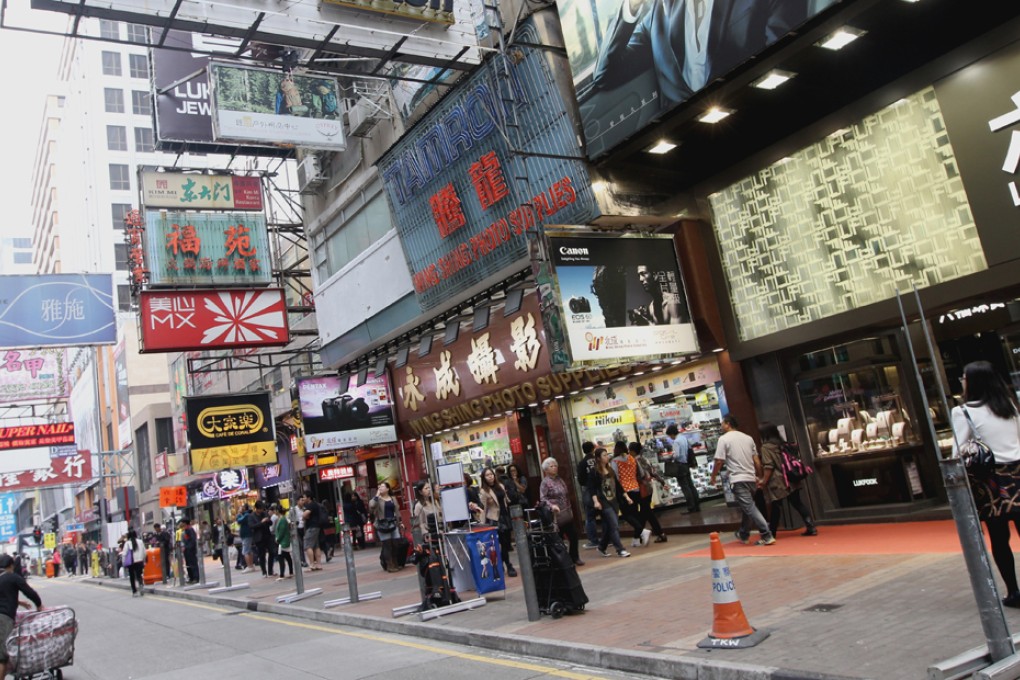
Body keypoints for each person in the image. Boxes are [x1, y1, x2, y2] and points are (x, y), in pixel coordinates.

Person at [590, 0, 807, 111]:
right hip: (688, 142)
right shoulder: (657, 17)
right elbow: (605, 74)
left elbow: (785, 56)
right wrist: (632, 5)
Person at [952, 360, 1020, 607]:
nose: (962, 380)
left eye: (964, 376)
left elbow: (956, 452)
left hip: (992, 481)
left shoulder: (963, 412)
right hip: (1018, 473)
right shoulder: (1008, 406)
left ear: (972, 381)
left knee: (1000, 539)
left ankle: (1014, 591)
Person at [710, 415, 776, 545]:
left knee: (749, 507)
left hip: (738, 478)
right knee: (748, 506)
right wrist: (760, 477)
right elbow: (756, 460)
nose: (721, 426)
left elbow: (719, 461)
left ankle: (766, 534)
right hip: (751, 478)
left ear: (728, 424)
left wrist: (713, 476)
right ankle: (744, 533)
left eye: (722, 423)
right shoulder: (748, 438)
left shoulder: (723, 439)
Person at [759, 422, 817, 537]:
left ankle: (771, 533)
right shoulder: (783, 444)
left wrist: (763, 481)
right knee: (797, 503)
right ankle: (811, 526)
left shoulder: (766, 447)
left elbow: (769, 466)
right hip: (791, 477)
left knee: (776, 506)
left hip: (778, 481)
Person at [0, 553, 42, 679]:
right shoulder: (12, 577)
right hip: (3, 618)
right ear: (11, 565)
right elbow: (29, 591)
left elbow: (3, 595)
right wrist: (39, 604)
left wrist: (19, 602)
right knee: (2, 657)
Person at [588, 446, 632, 557]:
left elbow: (617, 485)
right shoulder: (594, 472)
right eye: (604, 455)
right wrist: (596, 502)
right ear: (598, 458)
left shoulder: (610, 469)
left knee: (608, 526)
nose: (607, 457)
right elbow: (592, 488)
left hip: (614, 501)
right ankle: (620, 549)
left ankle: (602, 547)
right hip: (603, 501)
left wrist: (626, 496)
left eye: (607, 454)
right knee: (614, 525)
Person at [539, 457, 584, 566]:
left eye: (555, 465)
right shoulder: (545, 482)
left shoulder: (560, 479)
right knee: (559, 540)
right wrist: (552, 506)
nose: (554, 468)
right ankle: (564, 561)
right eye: (551, 466)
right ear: (546, 469)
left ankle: (575, 557)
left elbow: (566, 495)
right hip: (556, 516)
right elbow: (543, 498)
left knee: (573, 536)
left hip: (566, 513)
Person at [477, 468, 518, 576]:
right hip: (495, 519)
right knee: (501, 543)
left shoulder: (500, 486)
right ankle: (508, 565)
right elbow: (483, 508)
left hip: (505, 516)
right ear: (484, 478)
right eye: (487, 475)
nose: (490, 476)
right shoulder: (483, 491)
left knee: (507, 543)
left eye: (491, 474)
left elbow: (506, 500)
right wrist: (482, 523)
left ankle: (501, 563)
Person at [610, 441, 649, 546]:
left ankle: (642, 531)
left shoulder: (615, 461)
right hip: (635, 488)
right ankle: (636, 539)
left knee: (626, 514)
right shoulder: (632, 458)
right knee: (635, 514)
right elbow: (640, 472)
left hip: (624, 491)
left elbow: (615, 477)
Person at [629, 441, 668, 543]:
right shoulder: (645, 459)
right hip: (649, 488)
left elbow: (638, 476)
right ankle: (640, 535)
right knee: (645, 511)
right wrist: (662, 481)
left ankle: (657, 533)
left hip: (641, 489)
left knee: (647, 512)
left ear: (632, 451)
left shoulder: (633, 461)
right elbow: (653, 472)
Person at [369, 482, 404, 573]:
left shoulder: (392, 498)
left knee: (396, 544)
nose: (380, 488)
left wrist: (400, 522)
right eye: (379, 487)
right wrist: (376, 495)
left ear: (388, 489)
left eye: (382, 486)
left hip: (393, 523)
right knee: (387, 545)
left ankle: (396, 562)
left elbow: (397, 510)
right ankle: (389, 565)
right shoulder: (377, 499)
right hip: (383, 524)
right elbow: (372, 506)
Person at [665, 424, 700, 512]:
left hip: (679, 466)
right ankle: (697, 505)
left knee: (685, 487)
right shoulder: (684, 438)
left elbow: (677, 455)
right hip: (686, 465)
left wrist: (671, 456)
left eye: (670, 435)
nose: (670, 437)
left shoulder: (676, 441)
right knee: (691, 486)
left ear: (672, 434)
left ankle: (691, 507)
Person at [576, 441, 600, 549]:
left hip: (589, 491)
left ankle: (594, 540)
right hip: (601, 489)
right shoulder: (598, 459)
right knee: (605, 514)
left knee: (590, 517)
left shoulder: (582, 462)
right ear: (593, 449)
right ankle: (609, 538)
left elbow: (580, 480)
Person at [299, 493, 325, 571]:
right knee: (316, 546)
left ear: (309, 498)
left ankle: (312, 564)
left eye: (304, 497)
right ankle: (319, 564)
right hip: (317, 526)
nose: (303, 499)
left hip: (311, 527)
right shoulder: (315, 504)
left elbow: (305, 514)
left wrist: (303, 516)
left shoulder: (310, 505)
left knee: (308, 545)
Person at [249, 501, 275, 578]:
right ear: (256, 509)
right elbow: (252, 526)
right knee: (262, 555)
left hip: (268, 536)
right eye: (260, 509)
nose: (262, 510)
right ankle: (264, 572)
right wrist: (261, 522)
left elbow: (270, 523)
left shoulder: (264, 513)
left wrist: (268, 520)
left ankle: (270, 570)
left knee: (272, 552)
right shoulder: (251, 516)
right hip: (259, 538)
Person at [122, 528, 146, 597]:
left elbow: (124, 554)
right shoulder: (140, 542)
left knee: (132, 577)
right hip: (139, 561)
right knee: (139, 575)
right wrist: (143, 559)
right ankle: (141, 585)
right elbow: (144, 552)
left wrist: (124, 562)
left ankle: (134, 591)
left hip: (131, 562)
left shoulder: (127, 543)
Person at [273, 505, 293, 581]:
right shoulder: (283, 519)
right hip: (284, 540)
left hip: (283, 541)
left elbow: (281, 531)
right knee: (287, 557)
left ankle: (282, 574)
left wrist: (278, 539)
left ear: (278, 511)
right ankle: (290, 572)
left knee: (281, 557)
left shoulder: (282, 520)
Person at [179, 518, 200, 583]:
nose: (181, 524)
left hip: (191, 550)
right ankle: (191, 577)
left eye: (182, 522)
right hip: (186, 550)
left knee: (193, 563)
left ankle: (195, 578)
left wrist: (189, 547)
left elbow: (192, 540)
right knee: (188, 564)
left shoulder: (190, 529)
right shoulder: (185, 530)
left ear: (185, 523)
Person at [237, 505, 255, 573]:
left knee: (245, 551)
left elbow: (239, 521)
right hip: (246, 535)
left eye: (240, 508)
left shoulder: (246, 515)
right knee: (248, 550)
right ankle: (251, 565)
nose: (239, 509)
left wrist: (239, 514)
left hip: (246, 535)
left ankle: (249, 566)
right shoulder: (246, 515)